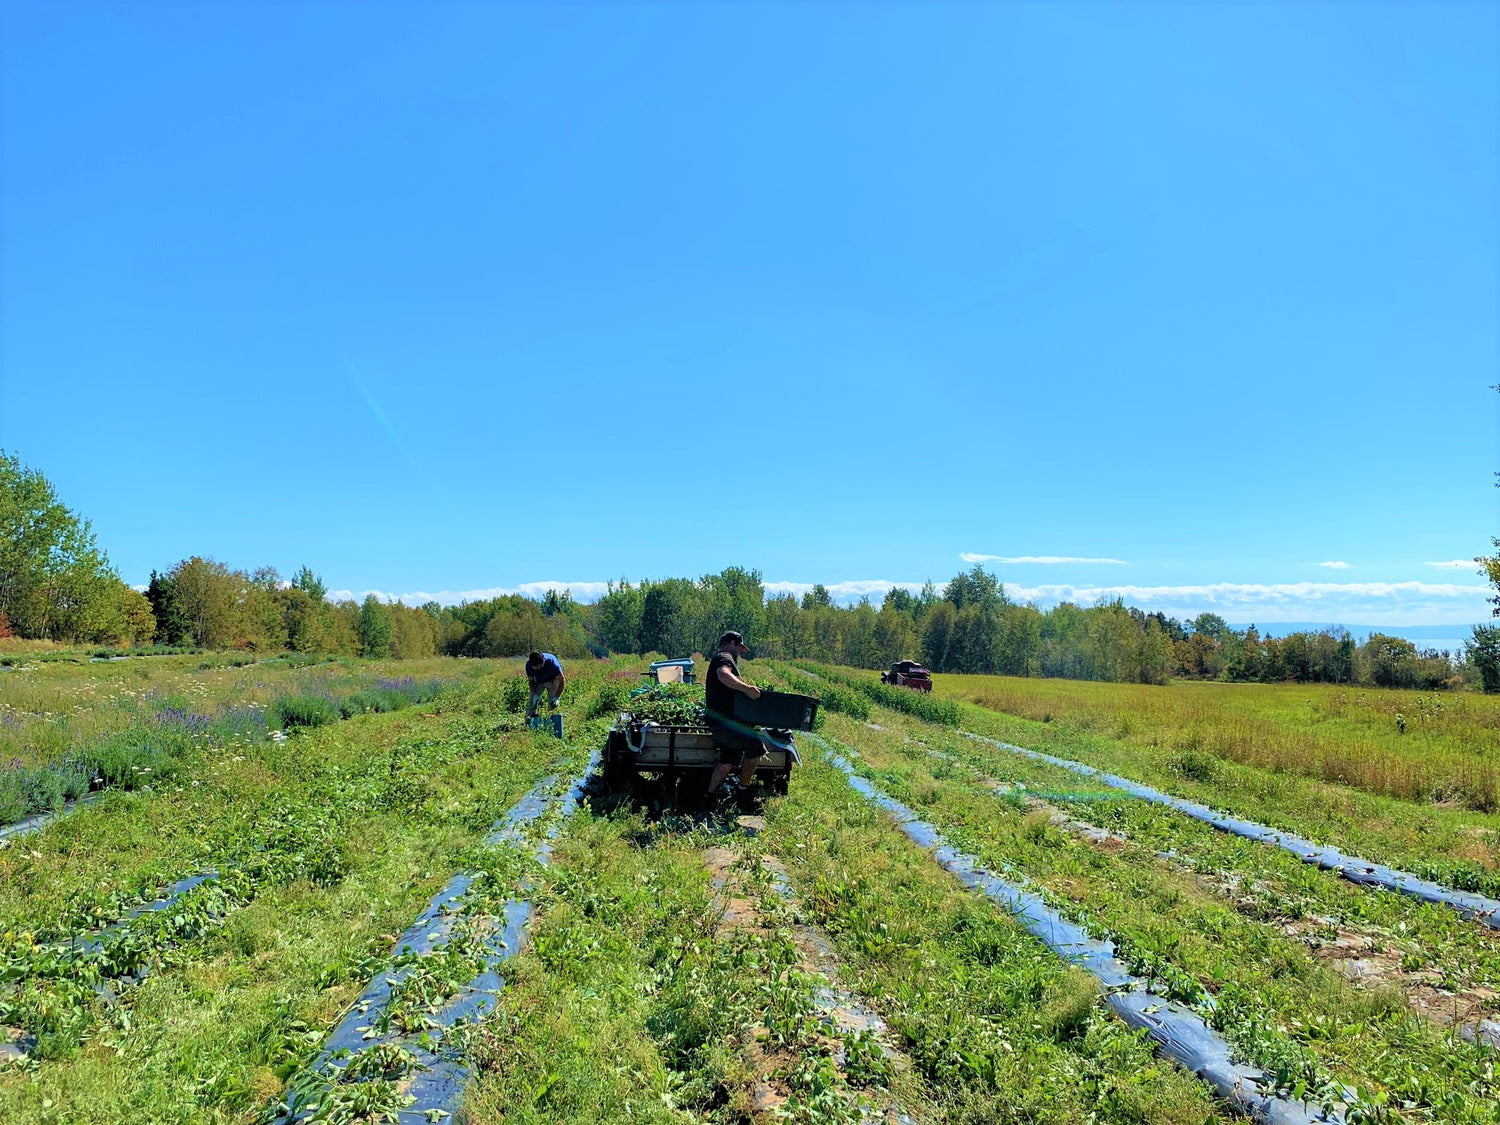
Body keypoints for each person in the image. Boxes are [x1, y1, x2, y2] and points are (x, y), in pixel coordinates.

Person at [704, 630, 769, 798]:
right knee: (756, 748)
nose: (740, 651)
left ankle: (709, 796)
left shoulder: (722, 658)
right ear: (732, 643)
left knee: (728, 759)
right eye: (739, 647)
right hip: (724, 723)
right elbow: (723, 675)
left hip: (723, 721)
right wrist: (747, 689)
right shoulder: (724, 658)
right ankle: (743, 790)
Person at [524, 651, 565, 719]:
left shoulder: (552, 663)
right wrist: (534, 694)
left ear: (543, 661)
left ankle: (552, 722)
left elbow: (562, 680)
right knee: (532, 703)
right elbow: (531, 681)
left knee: (553, 704)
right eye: (535, 667)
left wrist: (556, 697)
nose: (538, 668)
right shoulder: (529, 666)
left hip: (552, 680)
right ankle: (529, 721)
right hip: (539, 681)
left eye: (539, 666)